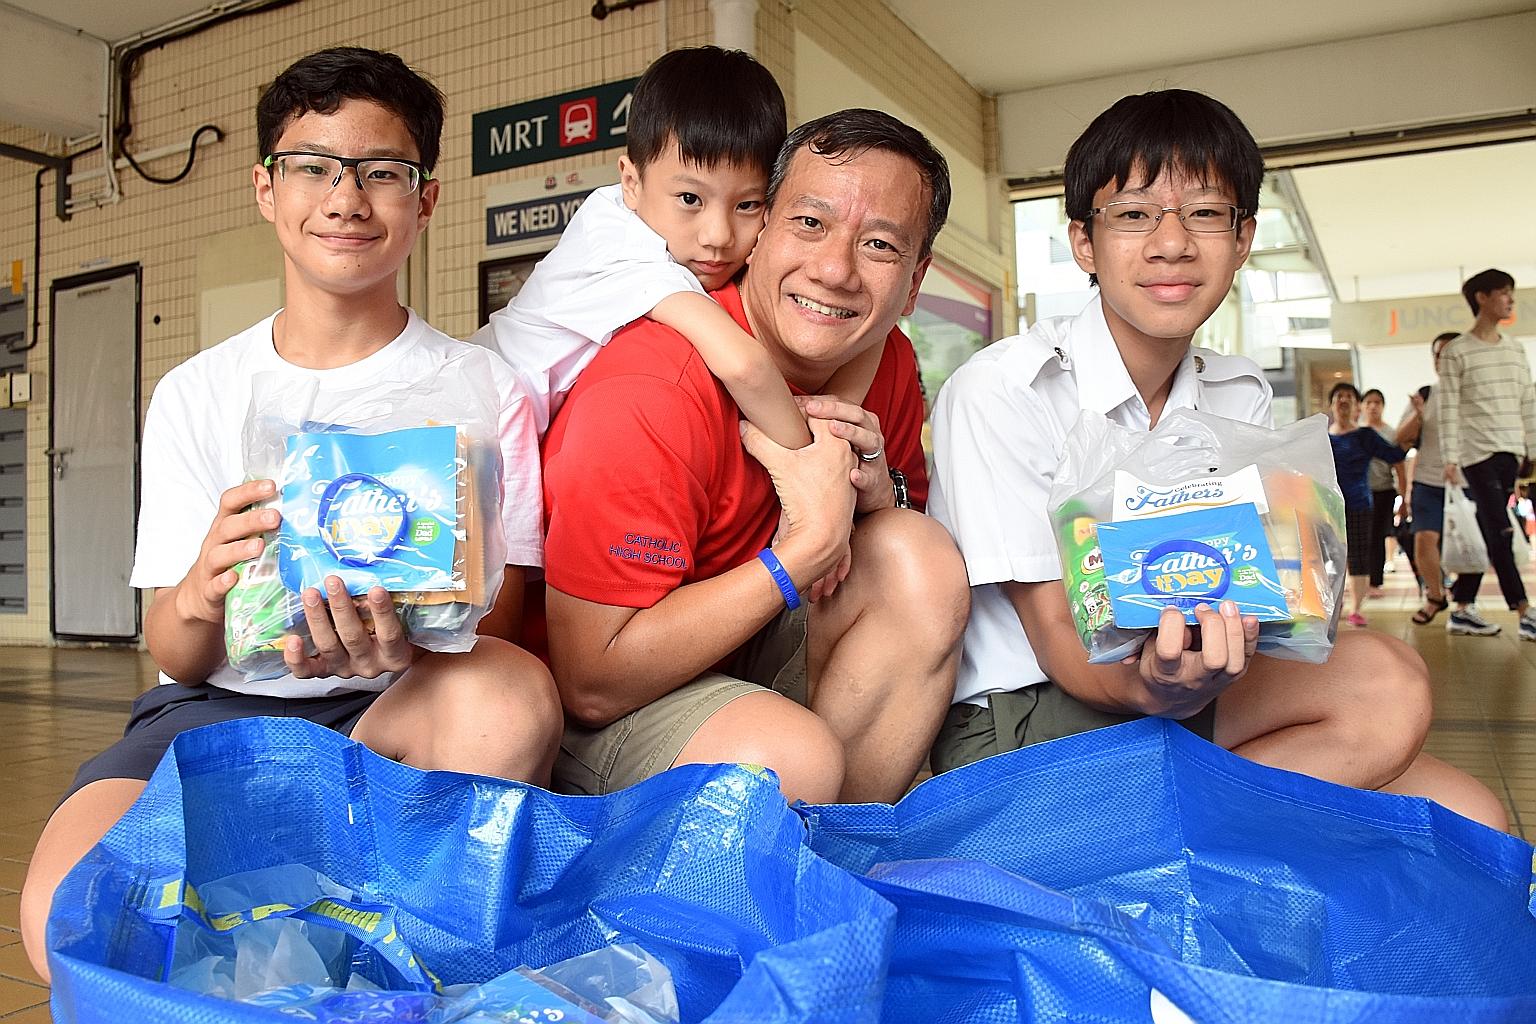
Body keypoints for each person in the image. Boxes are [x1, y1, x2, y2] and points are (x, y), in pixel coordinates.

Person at [19, 47, 563, 981]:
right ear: (266, 189)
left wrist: (421, 637)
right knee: (64, 909)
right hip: (217, 707)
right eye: (313, 166)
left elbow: (506, 615)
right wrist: (201, 587)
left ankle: (404, 965)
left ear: (425, 198)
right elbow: (178, 649)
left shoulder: (482, 388)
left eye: (382, 172)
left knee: (508, 689)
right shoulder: (199, 393)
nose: (346, 199)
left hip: (401, 700)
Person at [928, 88, 1506, 830]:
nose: (1171, 243)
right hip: (1023, 728)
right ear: (1083, 243)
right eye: (1133, 215)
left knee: (1473, 816)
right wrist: (1162, 687)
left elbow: (1265, 601)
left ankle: (1156, 838)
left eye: (1204, 213)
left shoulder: (1239, 393)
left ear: (1242, 238)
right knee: (1384, 686)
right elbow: (1067, 646)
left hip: (1189, 696)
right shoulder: (1003, 391)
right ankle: (1114, 844)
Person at [537, 109, 970, 806]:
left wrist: (873, 496)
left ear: (915, 282)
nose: (834, 271)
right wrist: (811, 546)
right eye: (810, 223)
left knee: (918, 556)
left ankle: (827, 859)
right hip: (611, 709)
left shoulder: (888, 357)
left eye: (880, 245)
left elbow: (897, 550)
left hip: (754, 660)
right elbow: (593, 681)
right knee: (781, 758)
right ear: (762, 227)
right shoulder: (653, 386)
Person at [474, 46, 824, 452]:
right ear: (631, 183)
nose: (718, 235)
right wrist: (814, 466)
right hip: (473, 418)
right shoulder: (620, 246)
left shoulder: (659, 233)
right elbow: (745, 366)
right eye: (690, 199)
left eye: (747, 204)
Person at [1438, 269, 1534, 639]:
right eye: (1504, 293)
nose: (1511, 300)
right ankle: (1525, 610)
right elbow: (1448, 408)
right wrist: (1450, 457)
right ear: (1482, 297)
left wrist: (1532, 450)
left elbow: (1528, 400)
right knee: (1501, 529)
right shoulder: (1457, 351)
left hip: (1511, 450)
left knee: (1489, 529)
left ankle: (1462, 606)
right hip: (1475, 454)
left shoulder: (1515, 349)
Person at [1326, 382, 1407, 627]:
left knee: (1359, 556)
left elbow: (1394, 455)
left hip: (1360, 503)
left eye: (1349, 396)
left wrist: (1415, 426)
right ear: (1331, 404)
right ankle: (1334, 604)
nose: (1343, 400)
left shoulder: (1365, 436)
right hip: (1328, 506)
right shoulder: (1321, 437)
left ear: (1356, 405)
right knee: (1331, 557)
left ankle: (1355, 608)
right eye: (1338, 396)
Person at [1397, 332, 1460, 625]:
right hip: (1428, 481)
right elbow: (1400, 440)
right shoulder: (1426, 394)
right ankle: (1435, 596)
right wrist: (1419, 414)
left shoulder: (1475, 396)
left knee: (1472, 544)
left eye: (1448, 354)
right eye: (1437, 354)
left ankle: (1465, 602)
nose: (1441, 360)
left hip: (1468, 483)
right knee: (1423, 541)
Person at [1360, 387, 1408, 593]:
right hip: (1358, 493)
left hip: (1384, 491)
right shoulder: (1356, 432)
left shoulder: (1391, 433)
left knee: (1378, 536)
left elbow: (1399, 466)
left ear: (1383, 407)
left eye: (1377, 402)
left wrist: (1405, 497)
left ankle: (1374, 581)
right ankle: (1359, 579)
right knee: (1359, 537)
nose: (1372, 406)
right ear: (1361, 406)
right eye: (1368, 402)